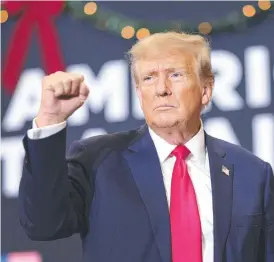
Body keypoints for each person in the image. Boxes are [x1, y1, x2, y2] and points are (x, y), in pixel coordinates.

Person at [19, 31, 274, 262]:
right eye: (149, 78)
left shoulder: (252, 173)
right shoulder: (98, 160)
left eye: (175, 75)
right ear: (139, 93)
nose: (162, 89)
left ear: (206, 90)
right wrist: (50, 121)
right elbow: (43, 224)